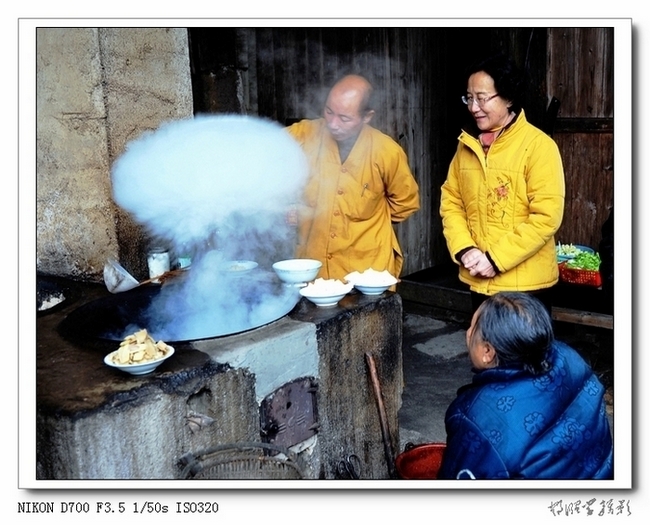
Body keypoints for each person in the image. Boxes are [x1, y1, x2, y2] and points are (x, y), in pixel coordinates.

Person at [437, 292, 613, 480]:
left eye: (471, 327)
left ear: (487, 351)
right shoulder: (569, 356)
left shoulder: (477, 417)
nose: (468, 333)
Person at [440, 54, 565, 315]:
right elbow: (451, 202)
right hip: (479, 281)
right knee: (485, 354)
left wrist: (495, 260)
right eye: (469, 97)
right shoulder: (467, 146)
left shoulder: (538, 147)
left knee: (523, 356)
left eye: (482, 98)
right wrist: (465, 249)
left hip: (527, 287)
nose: (474, 107)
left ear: (508, 98)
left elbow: (546, 217)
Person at [286, 74, 420, 281]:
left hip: (367, 272)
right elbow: (267, 152)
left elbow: (405, 204)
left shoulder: (386, 151)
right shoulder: (305, 134)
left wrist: (364, 221)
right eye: (329, 112)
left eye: (344, 118)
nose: (332, 123)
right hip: (314, 268)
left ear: (367, 116)